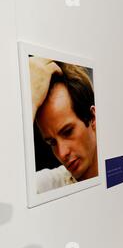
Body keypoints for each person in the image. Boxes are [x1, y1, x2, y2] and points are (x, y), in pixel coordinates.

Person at [30, 57, 98, 194]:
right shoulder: (47, 186)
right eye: (52, 142)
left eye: (67, 132)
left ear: (92, 118)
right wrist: (30, 101)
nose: (62, 153)